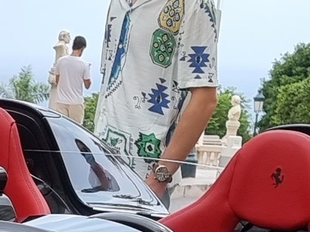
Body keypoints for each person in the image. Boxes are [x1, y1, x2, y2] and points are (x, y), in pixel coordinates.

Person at [95, 0, 222, 195]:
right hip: (98, 166)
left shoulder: (193, 5)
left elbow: (205, 99)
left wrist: (159, 178)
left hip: (143, 181)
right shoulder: (118, 3)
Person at [52, 35, 92, 122]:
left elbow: (57, 80)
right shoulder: (84, 64)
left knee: (61, 127)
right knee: (75, 130)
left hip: (61, 100)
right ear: (82, 48)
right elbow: (87, 85)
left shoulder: (61, 61)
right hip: (76, 102)